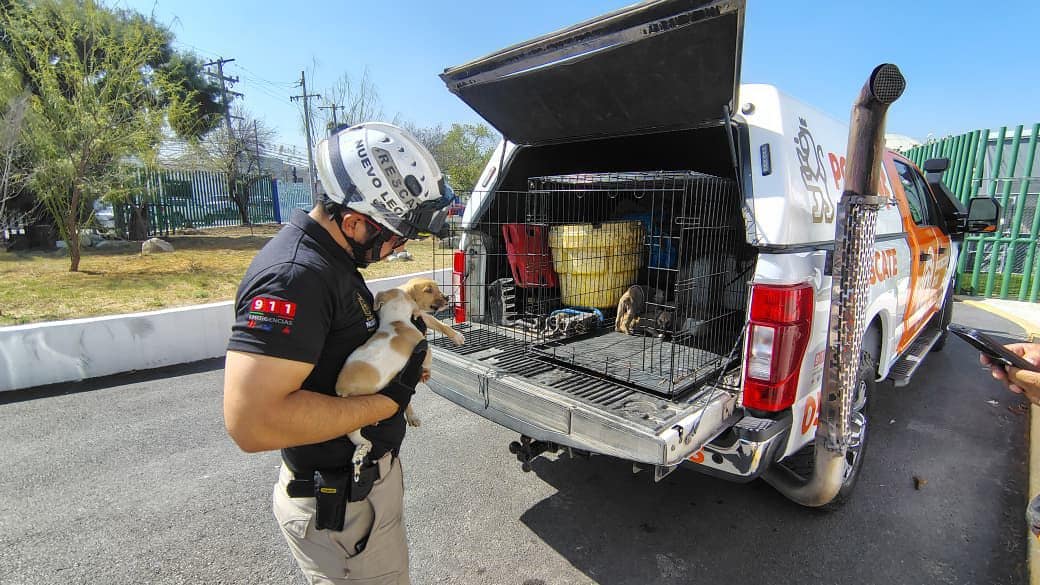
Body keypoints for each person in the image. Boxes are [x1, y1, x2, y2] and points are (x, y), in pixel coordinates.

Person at [223, 122, 454, 584]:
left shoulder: (333, 260)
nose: (399, 248)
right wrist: (390, 402)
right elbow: (252, 423)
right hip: (343, 510)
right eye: (397, 236)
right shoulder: (295, 277)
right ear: (354, 222)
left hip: (360, 492)